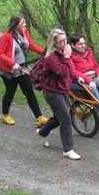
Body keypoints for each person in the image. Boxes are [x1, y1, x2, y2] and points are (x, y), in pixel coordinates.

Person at [0, 13, 48, 127]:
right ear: (15, 25)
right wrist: (12, 63)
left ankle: (39, 117)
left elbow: (31, 45)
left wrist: (45, 53)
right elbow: (0, 53)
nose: (25, 24)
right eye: (22, 23)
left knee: (29, 91)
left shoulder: (24, 32)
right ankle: (5, 115)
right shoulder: (6, 36)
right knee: (10, 92)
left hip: (23, 68)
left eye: (24, 22)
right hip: (10, 71)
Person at [36, 29, 80, 160]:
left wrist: (80, 78)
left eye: (65, 40)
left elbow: (70, 72)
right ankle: (68, 149)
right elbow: (62, 73)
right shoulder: (51, 58)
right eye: (61, 41)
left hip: (63, 90)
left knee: (58, 117)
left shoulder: (63, 54)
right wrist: (67, 58)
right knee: (66, 118)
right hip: (53, 92)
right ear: (54, 43)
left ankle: (42, 132)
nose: (65, 43)